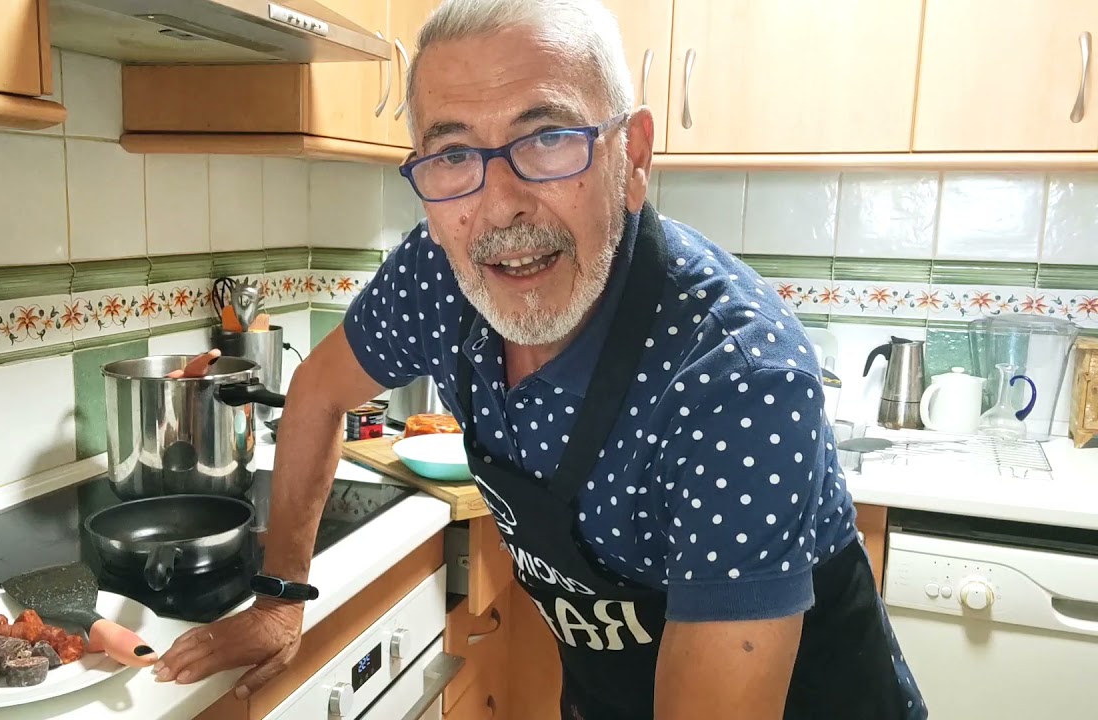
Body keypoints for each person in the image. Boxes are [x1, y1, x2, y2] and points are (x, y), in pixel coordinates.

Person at [155, 0, 927, 717]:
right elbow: (319, 392)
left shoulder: (738, 380)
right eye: (453, 152)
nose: (499, 207)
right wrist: (282, 597)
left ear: (633, 156)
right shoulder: (434, 278)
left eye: (549, 138)